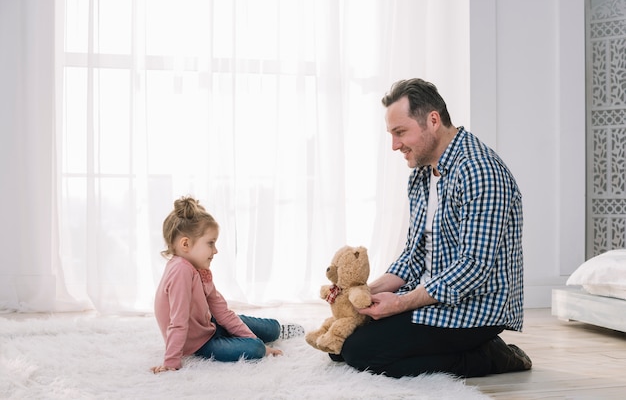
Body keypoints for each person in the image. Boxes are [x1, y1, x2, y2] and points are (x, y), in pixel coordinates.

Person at [331, 78, 532, 378]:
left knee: (360, 352)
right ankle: (459, 349)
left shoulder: (480, 171)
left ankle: (492, 356)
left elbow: (472, 267)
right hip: (431, 297)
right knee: (339, 345)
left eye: (400, 133)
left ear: (433, 120)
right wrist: (360, 293)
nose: (395, 145)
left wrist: (398, 304)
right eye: (391, 134)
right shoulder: (422, 174)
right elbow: (412, 256)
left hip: (474, 308)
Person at [151, 196, 304, 374]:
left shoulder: (198, 270)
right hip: (199, 343)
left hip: (208, 325)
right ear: (185, 244)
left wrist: (247, 335)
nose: (215, 250)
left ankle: (274, 332)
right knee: (256, 349)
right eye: (210, 243)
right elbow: (178, 322)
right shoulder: (180, 271)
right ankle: (258, 342)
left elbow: (222, 311)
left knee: (270, 329)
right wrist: (171, 362)